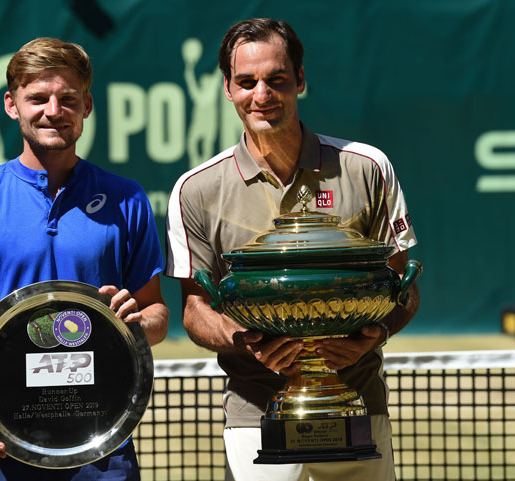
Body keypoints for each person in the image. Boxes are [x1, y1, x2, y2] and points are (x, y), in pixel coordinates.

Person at [165, 18, 419, 481]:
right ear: (227, 88)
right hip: (254, 414)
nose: (261, 94)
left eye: (277, 79)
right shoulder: (195, 190)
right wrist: (247, 341)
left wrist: (372, 335)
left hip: (358, 404)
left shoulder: (368, 168)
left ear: (299, 81)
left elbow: (403, 286)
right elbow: (195, 309)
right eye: (247, 82)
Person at [0, 37, 169, 480]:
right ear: (11, 104)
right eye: (37, 97)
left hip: (102, 439)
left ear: (87, 106)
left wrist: (135, 324)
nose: (53, 110)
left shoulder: (128, 199)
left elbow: (156, 315)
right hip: (3, 443)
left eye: (67, 99)